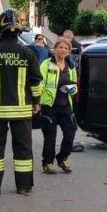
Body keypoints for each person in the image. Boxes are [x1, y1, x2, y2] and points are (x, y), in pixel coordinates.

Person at [0, 10, 42, 195]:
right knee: (23, 148)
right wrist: (37, 101)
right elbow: (36, 81)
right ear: (19, 30)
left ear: (0, 29)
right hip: (21, 111)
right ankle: (24, 186)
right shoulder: (27, 53)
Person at [39, 39, 79, 174]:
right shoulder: (46, 64)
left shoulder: (71, 65)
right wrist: (36, 101)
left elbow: (74, 84)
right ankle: (47, 163)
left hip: (65, 105)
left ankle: (62, 158)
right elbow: (40, 83)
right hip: (49, 105)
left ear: (68, 51)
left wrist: (72, 89)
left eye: (66, 48)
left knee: (70, 132)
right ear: (54, 49)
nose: (63, 50)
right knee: (50, 135)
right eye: (60, 47)